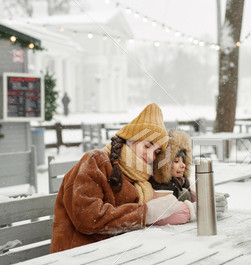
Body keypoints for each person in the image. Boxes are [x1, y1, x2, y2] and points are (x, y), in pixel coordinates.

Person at [50, 103, 196, 253]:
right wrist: (145, 213)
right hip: (77, 255)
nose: (150, 155)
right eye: (147, 146)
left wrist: (189, 192)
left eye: (156, 151)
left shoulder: (141, 179)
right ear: (130, 140)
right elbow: (88, 217)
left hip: (117, 253)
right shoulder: (96, 160)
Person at [150, 128, 228, 215]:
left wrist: (212, 199)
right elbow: (163, 214)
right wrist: (195, 208)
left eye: (183, 161)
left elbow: (194, 200)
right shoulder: (155, 188)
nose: (183, 165)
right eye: (176, 161)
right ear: (163, 165)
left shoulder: (183, 182)